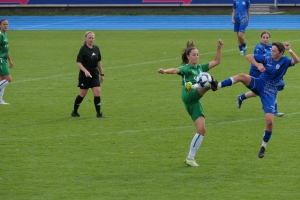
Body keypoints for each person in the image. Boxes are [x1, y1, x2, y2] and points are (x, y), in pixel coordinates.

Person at [216, 42, 299, 158]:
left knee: (270, 121)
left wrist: (290, 50)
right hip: (259, 83)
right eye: (272, 50)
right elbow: (248, 56)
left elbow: (296, 60)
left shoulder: (284, 61)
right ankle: (218, 85)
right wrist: (258, 65)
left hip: (270, 92)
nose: (272, 52)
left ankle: (263, 146)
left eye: (274, 51)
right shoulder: (267, 58)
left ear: (281, 53)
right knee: (242, 76)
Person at [158, 39, 223, 167]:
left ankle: (190, 158)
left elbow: (217, 61)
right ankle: (211, 85)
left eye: (198, 54)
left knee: (201, 130)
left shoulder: (200, 67)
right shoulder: (186, 68)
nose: (196, 57)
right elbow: (175, 70)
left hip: (194, 101)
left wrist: (219, 48)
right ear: (188, 57)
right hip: (188, 95)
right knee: (210, 82)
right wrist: (165, 71)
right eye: (194, 55)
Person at [236, 30, 285, 117]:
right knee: (257, 92)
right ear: (261, 38)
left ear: (269, 38)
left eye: (267, 38)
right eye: (263, 37)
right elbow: (260, 61)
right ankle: (241, 97)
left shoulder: (271, 47)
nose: (265, 39)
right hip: (256, 71)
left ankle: (274, 110)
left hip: (266, 72)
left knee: (273, 88)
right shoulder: (259, 48)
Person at [71, 31, 105, 118]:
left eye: (92, 38)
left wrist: (102, 74)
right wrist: (85, 71)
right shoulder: (83, 49)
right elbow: (79, 63)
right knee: (82, 94)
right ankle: (74, 111)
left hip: (94, 74)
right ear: (86, 39)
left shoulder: (96, 48)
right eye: (89, 38)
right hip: (85, 76)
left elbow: (99, 62)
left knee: (97, 92)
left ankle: (98, 113)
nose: (91, 39)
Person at [0, 19, 14, 105]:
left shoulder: (5, 34)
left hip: (4, 59)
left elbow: (6, 49)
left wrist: (10, 60)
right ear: (0, 25)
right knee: (8, 79)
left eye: (7, 24)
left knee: (2, 80)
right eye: (4, 24)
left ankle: (0, 100)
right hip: (0, 59)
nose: (6, 25)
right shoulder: (0, 35)